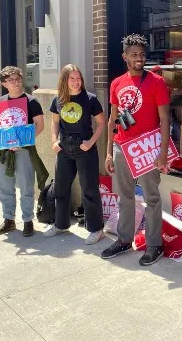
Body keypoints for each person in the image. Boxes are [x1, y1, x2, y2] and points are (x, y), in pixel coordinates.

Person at [101, 34, 171, 265]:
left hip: (147, 148)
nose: (139, 58)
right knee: (125, 197)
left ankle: (154, 245)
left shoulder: (157, 82)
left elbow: (164, 118)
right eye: (134, 55)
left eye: (142, 54)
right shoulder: (116, 83)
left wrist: (162, 153)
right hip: (123, 146)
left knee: (151, 198)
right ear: (125, 57)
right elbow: (112, 120)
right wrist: (109, 152)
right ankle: (124, 240)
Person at [45, 64, 106, 244]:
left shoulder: (90, 99)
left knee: (89, 188)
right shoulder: (59, 100)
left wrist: (91, 142)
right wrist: (54, 141)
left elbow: (101, 123)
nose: (76, 82)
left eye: (78, 78)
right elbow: (54, 122)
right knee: (61, 188)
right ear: (65, 80)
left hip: (84, 147)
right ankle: (60, 224)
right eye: (72, 78)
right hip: (64, 147)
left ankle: (96, 229)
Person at [0, 66, 47, 237]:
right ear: (4, 83)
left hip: (23, 150)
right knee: (4, 186)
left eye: (18, 78)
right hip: (3, 150)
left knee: (26, 185)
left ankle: (28, 221)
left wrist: (23, 141)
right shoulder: (0, 102)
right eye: (11, 80)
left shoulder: (31, 101)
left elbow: (40, 125)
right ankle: (8, 220)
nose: (16, 82)